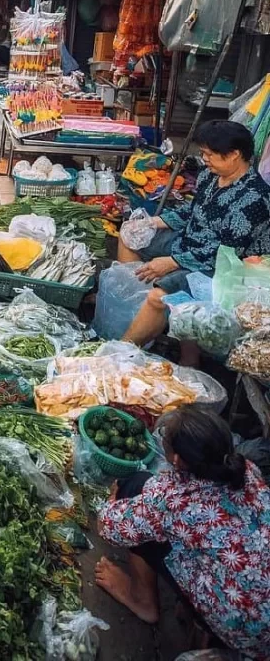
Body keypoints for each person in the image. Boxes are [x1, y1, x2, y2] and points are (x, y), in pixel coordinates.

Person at [96, 405, 270, 658]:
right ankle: (193, 614)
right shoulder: (248, 471)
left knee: (133, 489)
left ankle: (143, 600)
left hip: (245, 630)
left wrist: (114, 501)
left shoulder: (174, 500)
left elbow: (108, 527)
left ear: (176, 459)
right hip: (261, 614)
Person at [120, 119, 270, 348]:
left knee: (158, 297)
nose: (205, 159)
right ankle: (136, 311)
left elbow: (226, 253)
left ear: (234, 155)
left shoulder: (255, 199)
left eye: (209, 154)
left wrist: (172, 262)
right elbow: (191, 211)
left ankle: (122, 349)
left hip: (221, 268)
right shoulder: (210, 177)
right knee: (128, 237)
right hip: (188, 244)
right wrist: (151, 223)